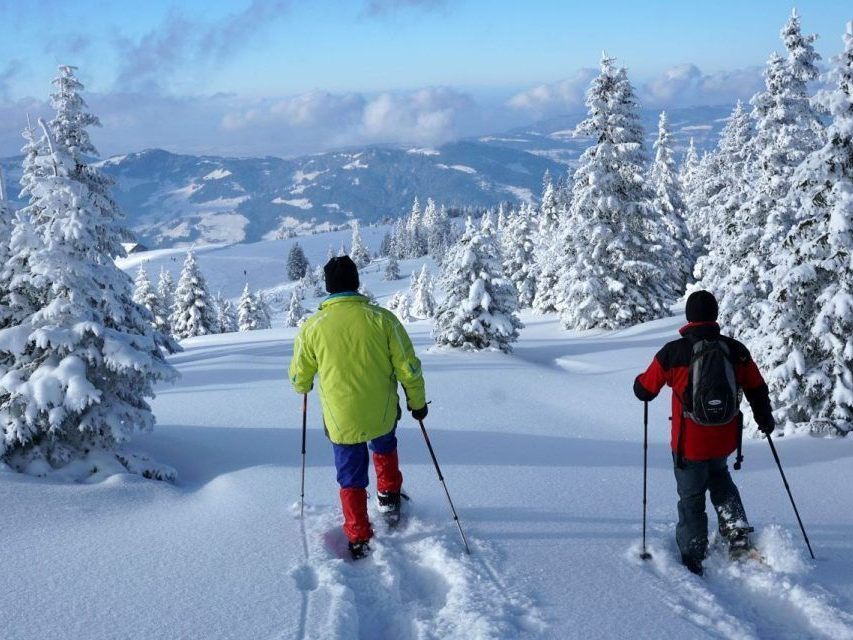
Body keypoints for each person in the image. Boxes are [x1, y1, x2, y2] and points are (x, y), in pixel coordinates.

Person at [289, 255, 428, 560]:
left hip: (341, 419)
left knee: (350, 473)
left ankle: (359, 535)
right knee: (384, 447)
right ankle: (389, 498)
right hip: (382, 412)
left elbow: (299, 378)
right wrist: (417, 403)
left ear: (328, 287)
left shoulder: (312, 327)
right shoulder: (383, 319)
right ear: (356, 282)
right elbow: (408, 368)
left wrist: (304, 384)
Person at [633, 290, 775, 576]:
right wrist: (764, 418)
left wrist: (638, 382)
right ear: (714, 315)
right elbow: (756, 387)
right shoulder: (735, 349)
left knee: (691, 497)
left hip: (688, 443)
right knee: (721, 480)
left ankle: (694, 551)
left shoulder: (673, 352)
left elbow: (645, 390)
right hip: (723, 438)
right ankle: (737, 534)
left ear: (688, 317)